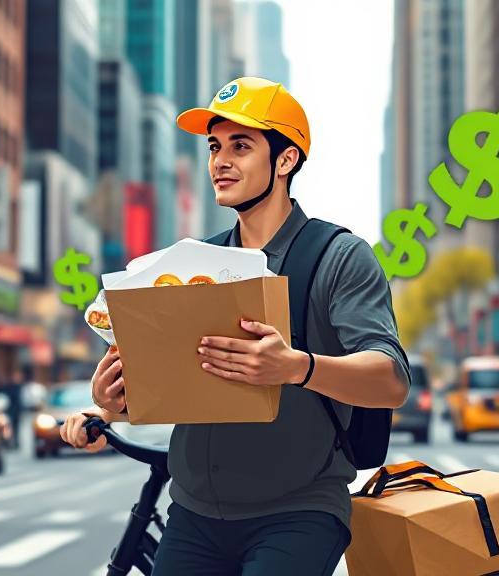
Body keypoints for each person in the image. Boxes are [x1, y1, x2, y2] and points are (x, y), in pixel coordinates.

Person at [60, 77, 411, 575]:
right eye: (214, 147)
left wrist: (296, 366)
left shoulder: (340, 257)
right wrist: (113, 405)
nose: (220, 162)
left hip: (298, 513)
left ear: (286, 160)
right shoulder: (189, 265)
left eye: (241, 146)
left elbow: (391, 380)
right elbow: (181, 377)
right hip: (193, 515)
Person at [0, 369, 25, 449]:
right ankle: (9, 443)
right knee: (8, 428)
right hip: (10, 411)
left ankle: (16, 443)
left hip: (16, 412)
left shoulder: (19, 387)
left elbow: (20, 400)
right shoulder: (10, 387)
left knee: (16, 428)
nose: (18, 379)